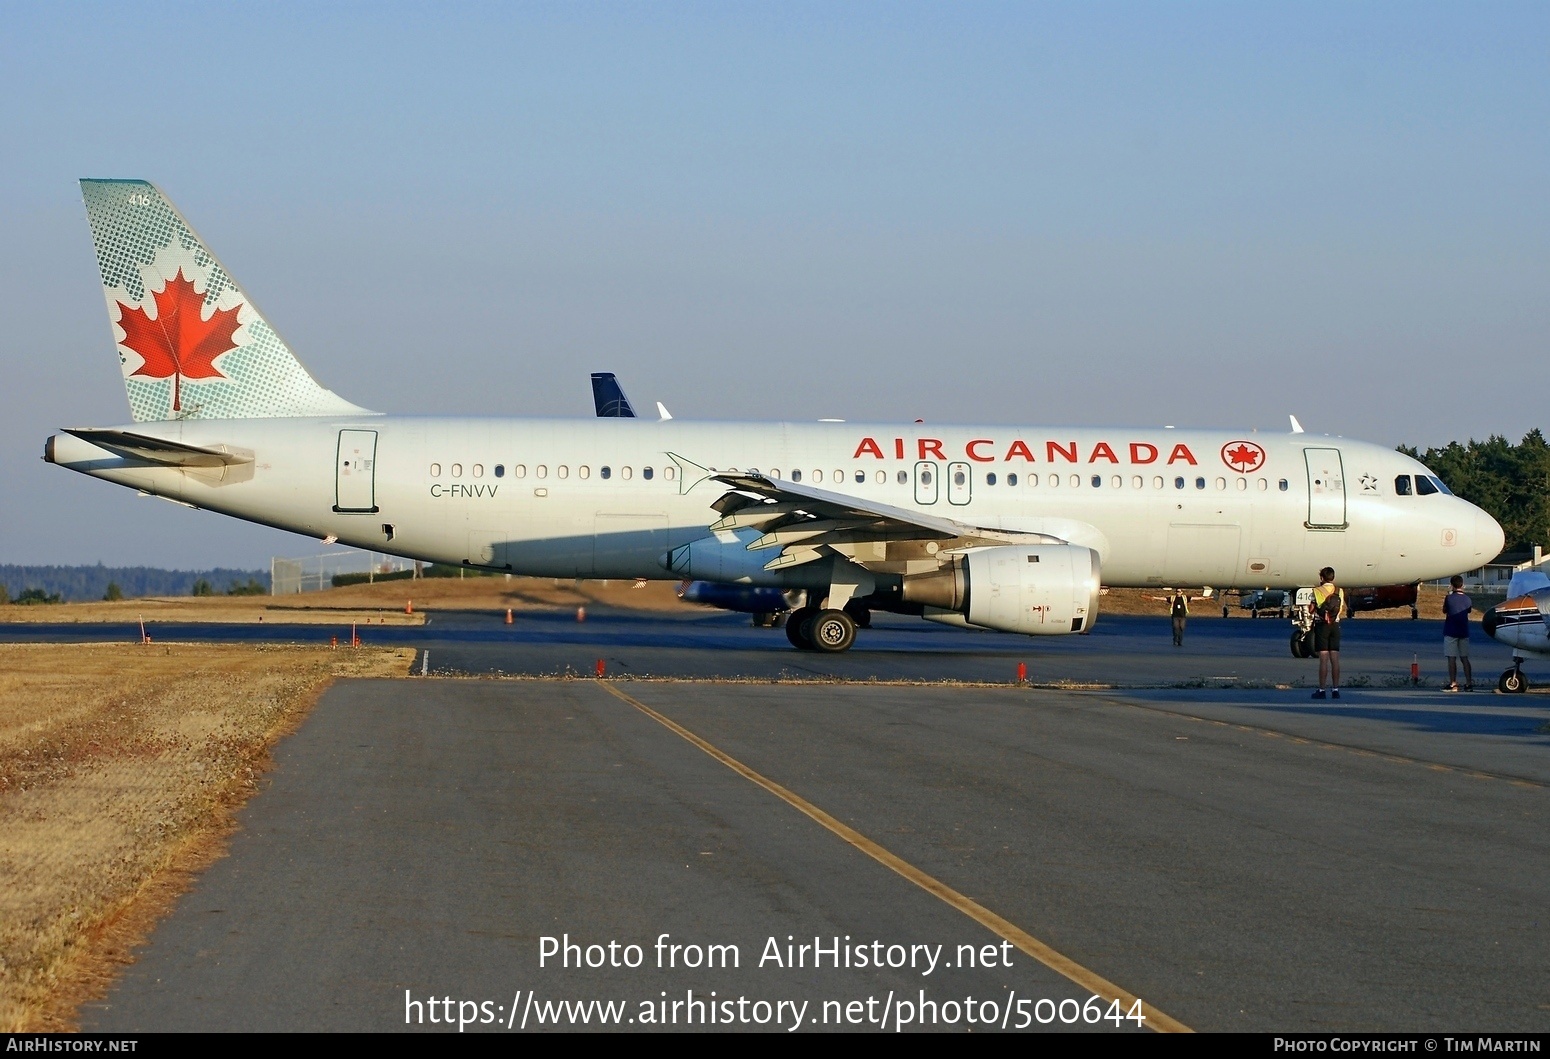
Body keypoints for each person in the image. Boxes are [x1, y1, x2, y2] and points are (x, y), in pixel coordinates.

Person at [1311, 567, 1345, 699]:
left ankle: (1322, 690)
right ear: (1333, 577)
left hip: (1322, 626)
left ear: (1321, 578)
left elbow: (1311, 609)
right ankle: (1335, 689)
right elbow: (1340, 608)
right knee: (1335, 660)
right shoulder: (1339, 591)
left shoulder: (1317, 591)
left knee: (1323, 659)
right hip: (1335, 625)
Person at [1442, 574, 1474, 691]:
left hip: (1451, 630)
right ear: (1462, 585)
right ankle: (1469, 683)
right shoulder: (1467, 599)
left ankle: (1453, 683)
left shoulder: (1449, 598)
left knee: (1451, 658)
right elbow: (1468, 610)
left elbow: (1445, 610)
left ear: (1451, 585)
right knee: (1464, 658)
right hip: (1464, 631)